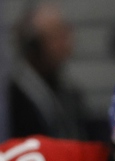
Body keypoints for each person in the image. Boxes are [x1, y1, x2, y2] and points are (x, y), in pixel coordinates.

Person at [9, 3, 97, 140]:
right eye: (56, 36)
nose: (65, 43)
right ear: (34, 47)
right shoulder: (16, 96)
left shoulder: (67, 91)